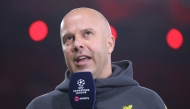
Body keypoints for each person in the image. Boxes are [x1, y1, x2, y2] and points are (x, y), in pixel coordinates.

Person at [27, 7, 167, 109]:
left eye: (87, 33)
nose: (77, 44)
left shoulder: (148, 102)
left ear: (110, 44)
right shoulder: (40, 106)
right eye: (68, 38)